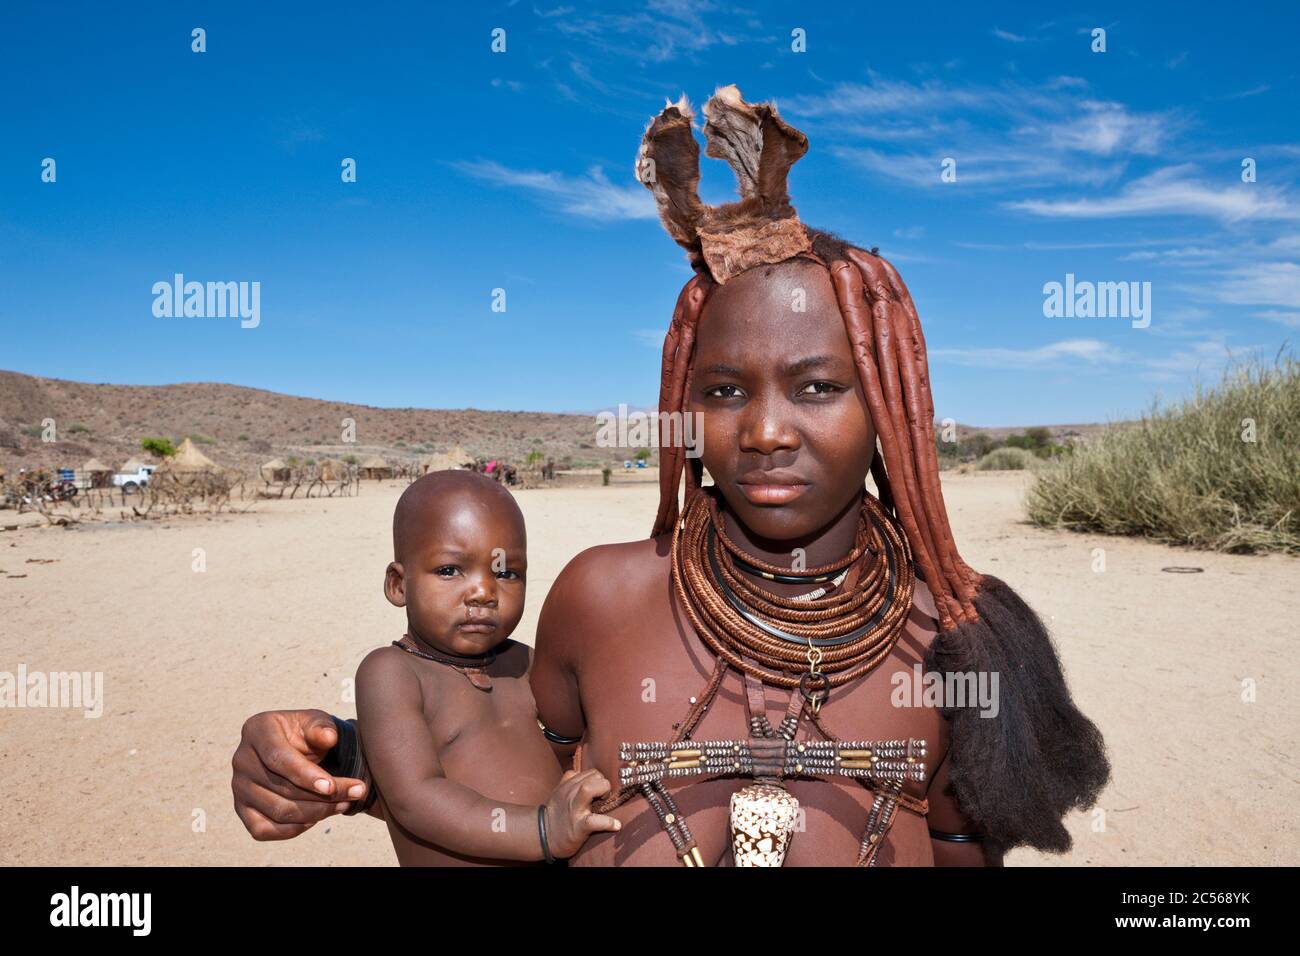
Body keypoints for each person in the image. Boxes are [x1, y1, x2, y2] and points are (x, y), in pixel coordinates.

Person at [231, 85, 1108, 865]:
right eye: (724, 390)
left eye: (818, 387)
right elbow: (513, 769)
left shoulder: (955, 637)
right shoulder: (601, 599)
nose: (764, 430)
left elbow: (961, 844)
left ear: (884, 402)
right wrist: (336, 760)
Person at [352, 471, 619, 865]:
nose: (483, 592)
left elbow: (576, 739)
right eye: (449, 570)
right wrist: (542, 829)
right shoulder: (392, 673)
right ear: (398, 584)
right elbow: (416, 798)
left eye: (506, 572)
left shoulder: (526, 662)